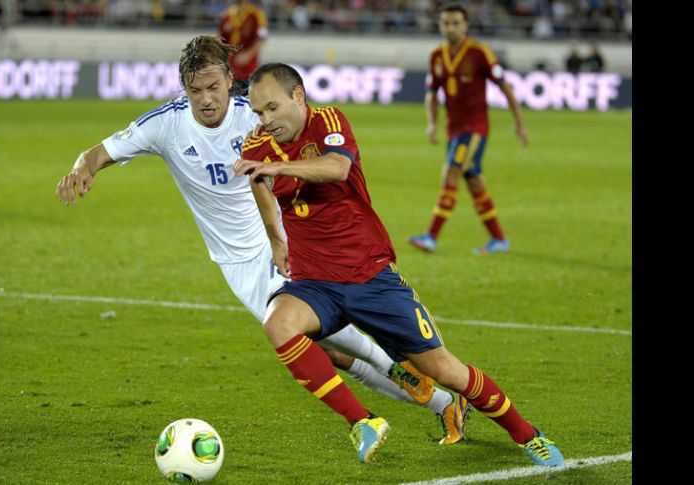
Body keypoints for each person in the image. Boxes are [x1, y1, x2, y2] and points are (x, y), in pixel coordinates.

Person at [54, 35, 469, 445]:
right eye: (195, 90)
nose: (206, 99)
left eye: (214, 87)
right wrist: (81, 169)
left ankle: (417, 395)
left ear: (230, 81)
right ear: (184, 88)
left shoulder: (253, 115)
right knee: (331, 353)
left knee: (331, 339)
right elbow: (97, 152)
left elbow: (301, 144)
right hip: (236, 265)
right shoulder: (165, 124)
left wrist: (285, 230)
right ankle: (438, 399)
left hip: (286, 245)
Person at [234, 62, 564, 466]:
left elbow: (338, 168)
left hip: (370, 276)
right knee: (278, 324)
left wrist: (277, 167)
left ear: (298, 96)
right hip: (314, 281)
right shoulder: (256, 146)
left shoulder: (328, 120)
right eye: (258, 113)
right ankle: (362, 422)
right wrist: (275, 238)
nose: (265, 121)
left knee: (446, 371)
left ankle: (528, 435)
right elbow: (259, 183)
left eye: (272, 109)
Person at [408, 3, 528, 255]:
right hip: (453, 129)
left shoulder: (479, 52)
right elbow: (431, 93)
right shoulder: (436, 56)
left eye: (455, 23)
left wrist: (519, 124)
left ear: (465, 26)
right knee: (474, 182)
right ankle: (499, 239)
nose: (450, 27)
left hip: (474, 129)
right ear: (440, 25)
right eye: (446, 23)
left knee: (451, 172)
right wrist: (432, 123)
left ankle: (431, 236)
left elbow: (505, 88)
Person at [218, 0, 268, 90]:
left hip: (248, 68)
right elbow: (220, 39)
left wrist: (247, 55)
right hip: (230, 68)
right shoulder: (226, 16)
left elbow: (261, 38)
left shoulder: (256, 14)